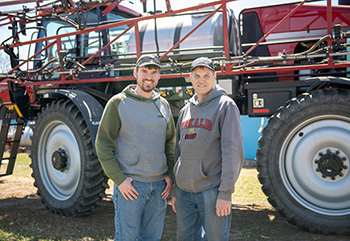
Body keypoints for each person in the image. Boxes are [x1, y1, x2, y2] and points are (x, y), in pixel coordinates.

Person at [95, 54, 175, 241]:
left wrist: (169, 175)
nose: (149, 76)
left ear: (159, 76)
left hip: (158, 188)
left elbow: (170, 143)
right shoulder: (118, 103)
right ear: (135, 73)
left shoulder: (163, 105)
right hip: (131, 186)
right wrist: (119, 180)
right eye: (144, 71)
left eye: (154, 72)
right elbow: (103, 144)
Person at [171, 57, 244, 241]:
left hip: (210, 190)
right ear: (190, 78)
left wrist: (225, 193)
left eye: (206, 75)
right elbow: (178, 152)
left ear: (214, 77)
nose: (201, 80)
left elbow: (232, 152)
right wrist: (175, 190)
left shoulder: (225, 106)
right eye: (196, 76)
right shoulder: (185, 110)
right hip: (184, 191)